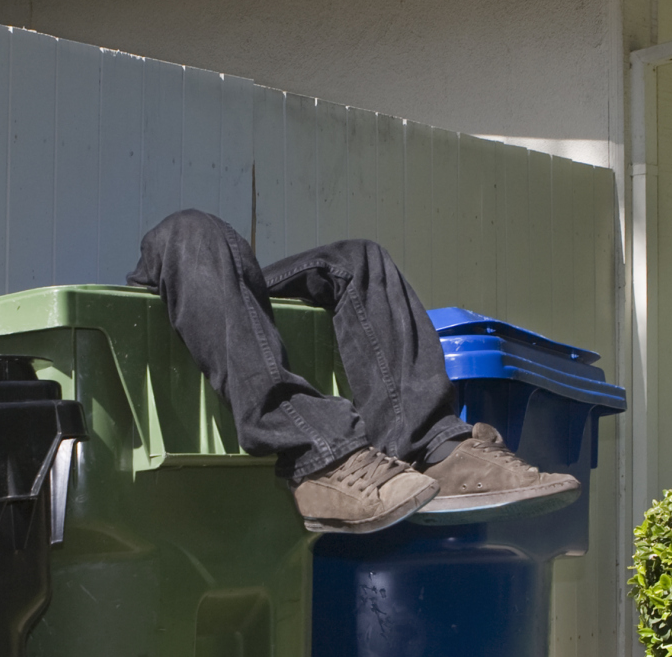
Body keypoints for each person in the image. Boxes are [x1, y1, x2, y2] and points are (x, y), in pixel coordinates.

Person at [126, 209, 581, 534]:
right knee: (189, 229)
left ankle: (431, 450)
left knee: (359, 259)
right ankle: (318, 456)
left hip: (220, 290)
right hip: (171, 282)